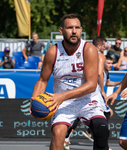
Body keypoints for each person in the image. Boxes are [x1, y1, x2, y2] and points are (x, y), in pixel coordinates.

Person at [29, 13, 109, 150]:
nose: (74, 31)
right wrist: (34, 100)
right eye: (70, 28)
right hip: (63, 102)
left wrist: (60, 97)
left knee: (101, 130)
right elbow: (42, 80)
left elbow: (91, 85)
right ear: (61, 30)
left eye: (77, 27)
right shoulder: (53, 52)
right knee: (58, 133)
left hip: (87, 100)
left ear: (81, 30)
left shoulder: (88, 49)